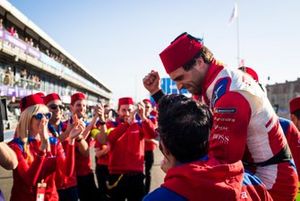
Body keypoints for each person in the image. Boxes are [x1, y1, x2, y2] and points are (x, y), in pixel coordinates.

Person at [143, 32, 298, 200]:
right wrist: (157, 93)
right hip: (252, 174)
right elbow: (183, 117)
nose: (179, 86)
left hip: (272, 184)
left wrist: (176, 167)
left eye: (180, 78)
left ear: (199, 62)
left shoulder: (230, 93)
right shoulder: (211, 84)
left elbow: (221, 161)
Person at [143, 94, 272, 201]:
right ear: (211, 137)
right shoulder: (253, 185)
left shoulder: (159, 198)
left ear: (165, 147)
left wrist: (176, 176)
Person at [8, 93, 83, 201]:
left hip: (50, 198)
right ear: (27, 119)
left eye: (47, 115)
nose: (44, 120)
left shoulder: (53, 142)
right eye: (39, 116)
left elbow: (67, 172)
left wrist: (71, 140)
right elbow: (30, 180)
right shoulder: (16, 146)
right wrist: (42, 148)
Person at [106, 97, 156, 201]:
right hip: (117, 174)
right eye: (123, 110)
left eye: (129, 110)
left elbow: (152, 134)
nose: (127, 113)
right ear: (118, 111)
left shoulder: (138, 125)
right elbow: (111, 138)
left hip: (136, 175)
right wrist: (127, 124)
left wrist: (143, 117)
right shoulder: (111, 124)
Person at [44, 93, 80, 201]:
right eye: (53, 107)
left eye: (61, 106)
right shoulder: (42, 130)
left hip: (70, 182)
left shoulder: (67, 126)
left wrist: (80, 135)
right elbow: (48, 145)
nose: (58, 109)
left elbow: (86, 151)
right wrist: (67, 133)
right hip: (52, 186)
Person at [142, 98, 158, 194]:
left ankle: (146, 193)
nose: (146, 109)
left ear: (151, 108)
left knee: (148, 173)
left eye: (148, 107)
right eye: (144, 107)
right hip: (138, 150)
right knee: (139, 173)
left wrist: (149, 139)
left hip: (149, 150)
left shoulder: (153, 118)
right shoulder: (137, 118)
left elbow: (153, 134)